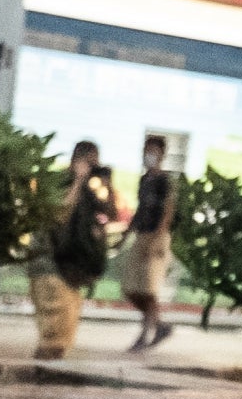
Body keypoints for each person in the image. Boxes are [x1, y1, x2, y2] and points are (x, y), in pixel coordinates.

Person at [28, 140, 115, 361]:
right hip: (48, 264)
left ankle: (45, 380)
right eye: (89, 163)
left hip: (70, 269)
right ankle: (40, 378)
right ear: (77, 160)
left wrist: (106, 185)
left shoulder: (91, 188)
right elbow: (58, 215)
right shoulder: (59, 181)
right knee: (53, 336)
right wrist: (77, 181)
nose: (92, 168)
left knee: (64, 337)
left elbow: (109, 213)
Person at [119, 135, 179, 352]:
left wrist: (156, 239)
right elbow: (140, 209)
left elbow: (167, 210)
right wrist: (127, 233)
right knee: (130, 288)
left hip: (156, 237)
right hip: (141, 234)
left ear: (162, 154)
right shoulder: (144, 179)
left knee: (148, 290)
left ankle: (145, 334)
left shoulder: (165, 180)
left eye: (153, 151)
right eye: (147, 150)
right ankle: (160, 325)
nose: (149, 155)